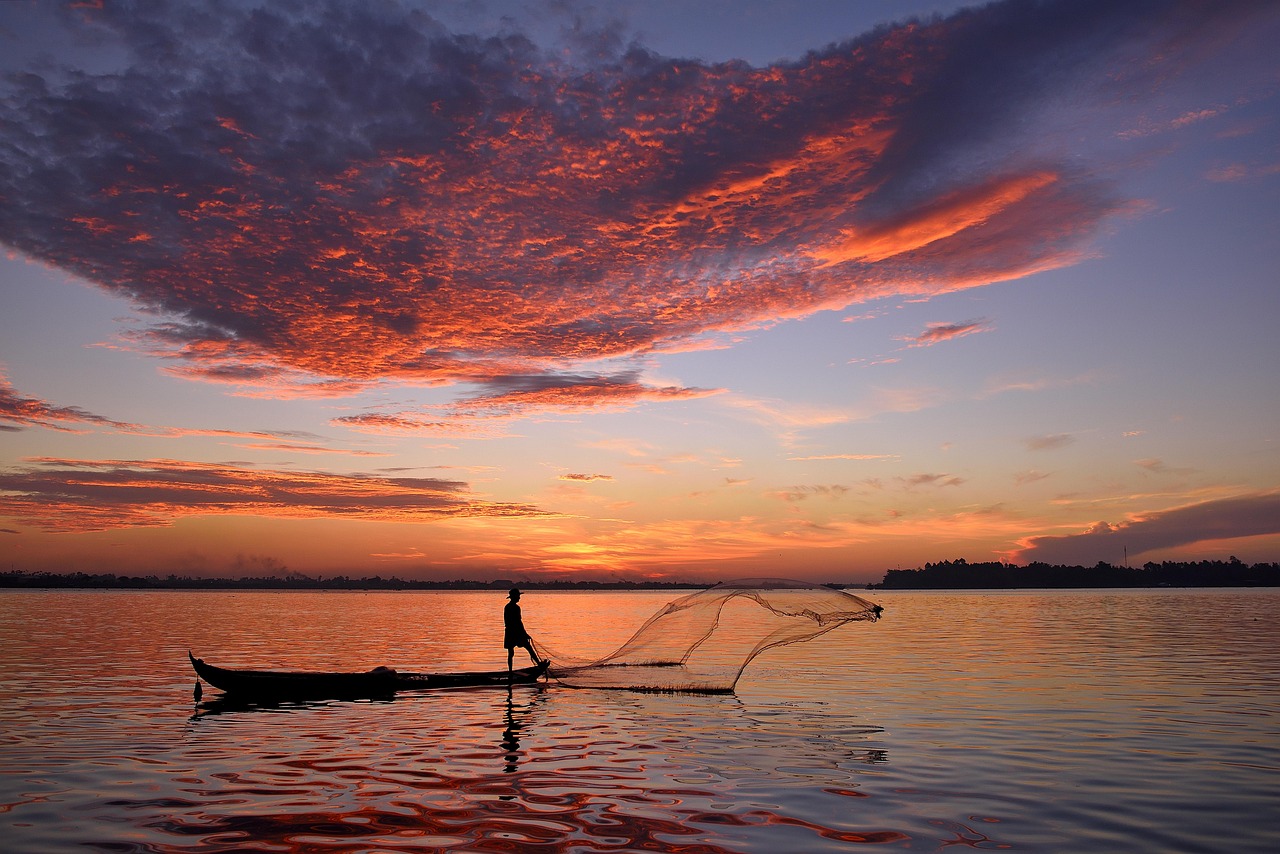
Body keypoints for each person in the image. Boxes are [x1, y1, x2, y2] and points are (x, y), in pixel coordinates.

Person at [504, 588, 543, 671]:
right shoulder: (516, 608)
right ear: (514, 597)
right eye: (518, 596)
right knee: (529, 648)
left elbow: (508, 621)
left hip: (509, 632)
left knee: (511, 653)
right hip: (516, 632)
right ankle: (539, 664)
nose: (519, 598)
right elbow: (518, 622)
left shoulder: (507, 607)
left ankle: (510, 671)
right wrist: (524, 634)